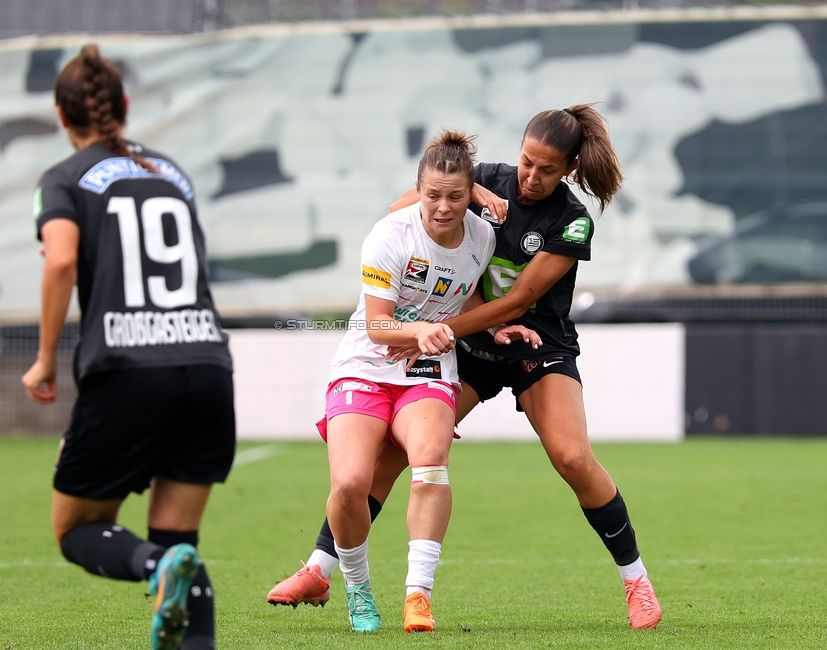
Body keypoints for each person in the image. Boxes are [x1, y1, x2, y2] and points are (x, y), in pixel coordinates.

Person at [267, 104, 663, 631]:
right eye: (526, 161)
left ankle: (636, 581)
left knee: (572, 457)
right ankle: (319, 569)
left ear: (568, 169)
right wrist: (471, 190)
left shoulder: (571, 222)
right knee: (392, 455)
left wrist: (437, 332)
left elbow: (520, 299)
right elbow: (402, 208)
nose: (530, 176)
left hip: (533, 347)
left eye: (547, 169)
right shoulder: (484, 180)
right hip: (470, 349)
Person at [21, 44, 234, 650]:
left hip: (130, 370)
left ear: (63, 118)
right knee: (178, 541)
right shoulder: (172, 172)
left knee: (78, 527)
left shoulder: (62, 179)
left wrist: (43, 360)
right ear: (125, 106)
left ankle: (149, 568)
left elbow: (60, 258)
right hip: (207, 364)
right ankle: (168, 573)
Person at [290, 130, 539, 634]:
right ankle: (357, 591)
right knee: (350, 485)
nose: (442, 208)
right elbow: (378, 325)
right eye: (432, 196)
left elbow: (461, 294)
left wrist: (493, 326)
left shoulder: (482, 237)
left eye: (454, 196)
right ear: (417, 191)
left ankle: (417, 598)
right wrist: (421, 328)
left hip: (426, 372)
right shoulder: (389, 236)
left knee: (429, 462)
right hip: (365, 366)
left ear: (470, 193)